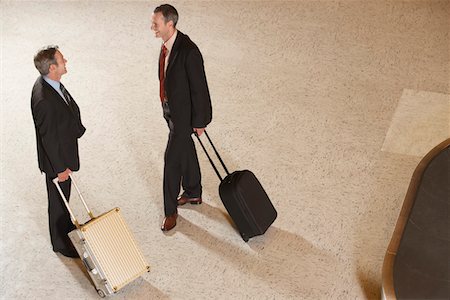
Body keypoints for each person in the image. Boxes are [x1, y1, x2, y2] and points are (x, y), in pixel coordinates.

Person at [151, 4, 212, 231]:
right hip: (171, 110)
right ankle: (194, 191)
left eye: (156, 24)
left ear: (170, 24)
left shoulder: (189, 51)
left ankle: (169, 211)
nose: (152, 28)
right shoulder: (166, 46)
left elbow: (200, 88)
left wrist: (200, 121)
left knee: (171, 161)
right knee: (186, 149)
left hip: (184, 117)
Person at [31, 46, 86, 257]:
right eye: (63, 60)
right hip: (57, 162)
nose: (66, 61)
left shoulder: (50, 83)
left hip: (63, 152)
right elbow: (49, 140)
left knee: (64, 197)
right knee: (57, 201)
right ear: (53, 68)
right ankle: (60, 243)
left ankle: (66, 229)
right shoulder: (44, 101)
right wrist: (60, 168)